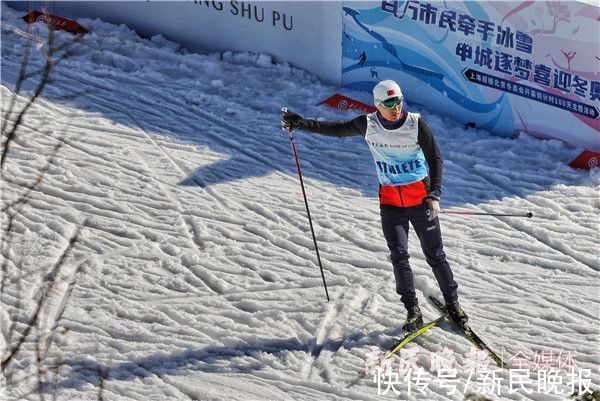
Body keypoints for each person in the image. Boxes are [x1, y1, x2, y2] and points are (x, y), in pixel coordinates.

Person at [281, 80, 468, 333]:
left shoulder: (416, 123)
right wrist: (300, 122)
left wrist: (434, 194)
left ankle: (454, 305)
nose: (395, 108)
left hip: (420, 201)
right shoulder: (368, 124)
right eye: (389, 104)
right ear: (377, 105)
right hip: (391, 203)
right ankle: (413, 311)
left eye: (398, 101)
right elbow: (335, 129)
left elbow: (435, 159)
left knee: (435, 255)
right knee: (399, 256)